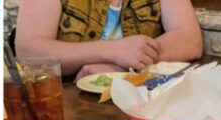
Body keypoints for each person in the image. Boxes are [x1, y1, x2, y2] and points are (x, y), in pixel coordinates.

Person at [14, 0, 202, 80]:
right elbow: (28, 51)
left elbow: (190, 39)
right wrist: (112, 52)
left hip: (144, 106)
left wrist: (122, 67)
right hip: (69, 114)